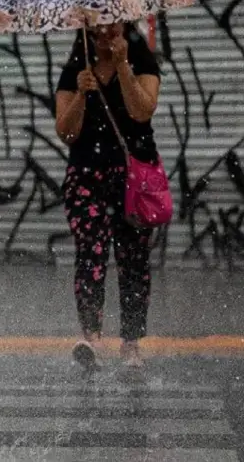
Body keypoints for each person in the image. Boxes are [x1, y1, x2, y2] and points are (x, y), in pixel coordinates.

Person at [53, 21, 162, 370]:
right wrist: (81, 94)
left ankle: (131, 343)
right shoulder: (75, 71)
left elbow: (142, 111)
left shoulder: (142, 62)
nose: (104, 33)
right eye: (96, 27)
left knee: (133, 259)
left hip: (132, 178)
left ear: (123, 24)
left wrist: (123, 67)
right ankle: (92, 337)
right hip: (87, 175)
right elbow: (66, 133)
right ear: (85, 31)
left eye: (111, 25)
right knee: (91, 251)